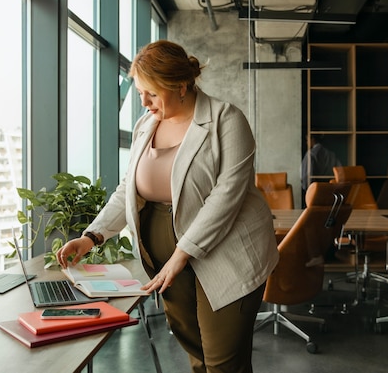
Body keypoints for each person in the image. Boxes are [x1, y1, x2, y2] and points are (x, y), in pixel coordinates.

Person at [56, 40, 279, 373]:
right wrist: (92, 237)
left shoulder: (226, 120)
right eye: (140, 92)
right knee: (198, 356)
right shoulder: (146, 126)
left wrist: (181, 254)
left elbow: (226, 196)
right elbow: (128, 190)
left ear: (180, 85)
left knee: (223, 363)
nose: (143, 103)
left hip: (227, 255)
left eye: (152, 93)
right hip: (165, 262)